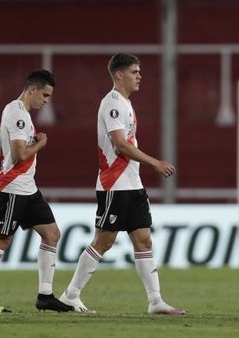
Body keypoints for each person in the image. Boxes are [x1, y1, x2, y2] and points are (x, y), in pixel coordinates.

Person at [58, 53, 185, 315]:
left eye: (139, 72)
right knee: (103, 241)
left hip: (132, 185)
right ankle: (70, 295)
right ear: (119, 74)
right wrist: (155, 163)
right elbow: (120, 144)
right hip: (114, 185)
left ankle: (155, 301)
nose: (139, 76)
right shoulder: (113, 103)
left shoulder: (125, 103)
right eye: (134, 72)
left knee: (144, 239)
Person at [0, 70, 73, 313]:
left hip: (28, 189)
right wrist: (40, 143)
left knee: (52, 234)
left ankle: (45, 296)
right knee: (2, 239)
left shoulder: (22, 114)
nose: (46, 100)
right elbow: (19, 155)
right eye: (45, 95)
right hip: (12, 188)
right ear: (32, 90)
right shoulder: (17, 113)